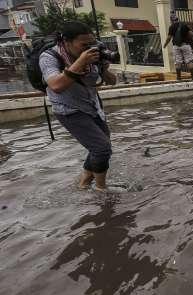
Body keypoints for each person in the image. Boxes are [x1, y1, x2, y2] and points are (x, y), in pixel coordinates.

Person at [39, 21, 117, 191]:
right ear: (67, 42)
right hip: (68, 109)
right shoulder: (49, 57)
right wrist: (81, 61)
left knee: (102, 146)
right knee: (101, 148)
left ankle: (83, 184)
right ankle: (101, 190)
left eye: (91, 43)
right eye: (84, 44)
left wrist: (103, 68)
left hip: (92, 105)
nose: (89, 48)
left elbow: (112, 81)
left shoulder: (94, 55)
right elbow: (56, 85)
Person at [163, 13, 193, 81]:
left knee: (178, 62)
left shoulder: (171, 27)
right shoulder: (184, 25)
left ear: (171, 20)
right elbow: (191, 34)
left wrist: (165, 45)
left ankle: (179, 78)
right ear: (177, 18)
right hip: (185, 45)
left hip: (176, 46)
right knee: (189, 61)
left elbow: (169, 38)